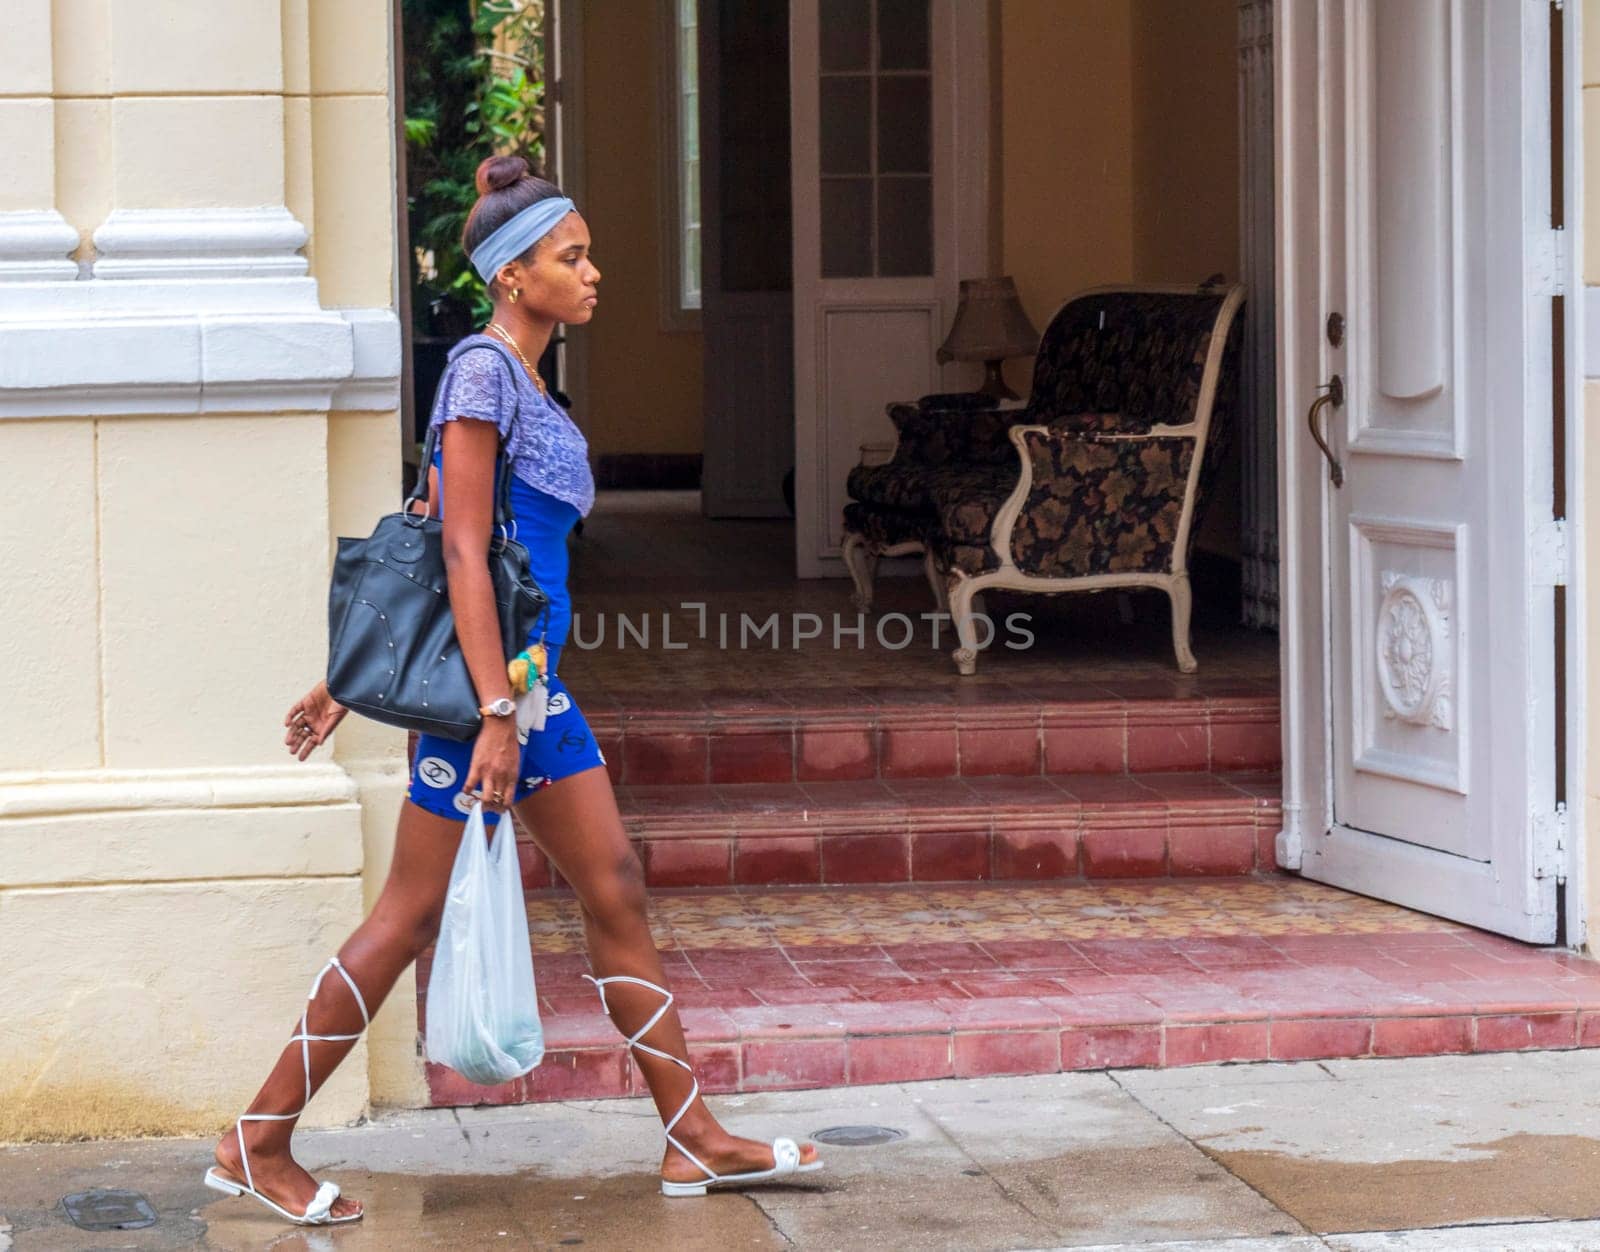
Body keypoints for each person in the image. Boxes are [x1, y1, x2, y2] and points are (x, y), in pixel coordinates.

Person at [203, 156, 821, 1226]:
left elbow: (428, 518)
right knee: (407, 915)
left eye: (585, 253)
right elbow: (455, 545)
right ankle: (257, 1139)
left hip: (533, 688)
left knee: (615, 884)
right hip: (495, 703)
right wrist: (488, 709)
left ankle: (691, 1138)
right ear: (510, 274)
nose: (592, 272)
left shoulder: (519, 378)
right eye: (569, 257)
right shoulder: (482, 373)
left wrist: (349, 676)